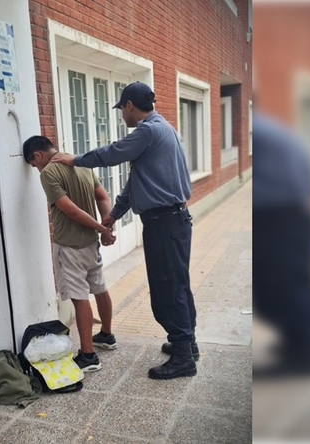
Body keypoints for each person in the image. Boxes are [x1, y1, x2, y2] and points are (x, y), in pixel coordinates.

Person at [51, 81, 198, 380]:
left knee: (168, 289)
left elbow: (112, 154)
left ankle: (184, 356)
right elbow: (137, 183)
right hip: (173, 221)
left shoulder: (147, 130)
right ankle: (187, 344)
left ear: (130, 106)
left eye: (122, 110)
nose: (122, 116)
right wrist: (114, 215)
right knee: (178, 284)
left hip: (164, 223)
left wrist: (76, 160)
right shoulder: (165, 129)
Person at [23, 135, 118, 373]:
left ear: (37, 155)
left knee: (79, 297)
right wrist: (107, 226)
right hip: (91, 244)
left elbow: (71, 211)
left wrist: (101, 228)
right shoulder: (81, 162)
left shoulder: (49, 173)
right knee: (99, 288)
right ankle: (106, 335)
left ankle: (88, 355)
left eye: (34, 166)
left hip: (69, 246)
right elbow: (103, 197)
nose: (37, 170)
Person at [252, 110, 310, 379]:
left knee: (287, 286)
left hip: (281, 219)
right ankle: (308, 343)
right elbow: (309, 180)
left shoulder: (261, 133)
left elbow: (272, 185)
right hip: (296, 216)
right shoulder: (276, 131)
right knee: (298, 283)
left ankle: (307, 355)